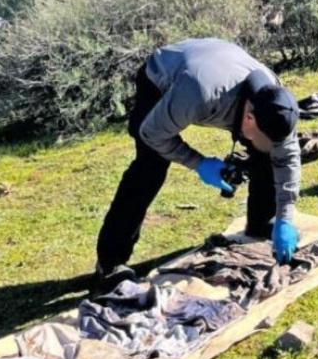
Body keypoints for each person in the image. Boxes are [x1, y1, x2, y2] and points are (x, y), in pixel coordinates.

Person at [94, 38, 301, 288]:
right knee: (150, 166)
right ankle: (110, 263)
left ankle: (261, 224)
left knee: (266, 154)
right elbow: (152, 134)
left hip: (218, 62)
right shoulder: (199, 94)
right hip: (163, 75)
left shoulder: (276, 102)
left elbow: (286, 157)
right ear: (248, 118)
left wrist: (285, 217)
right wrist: (199, 163)